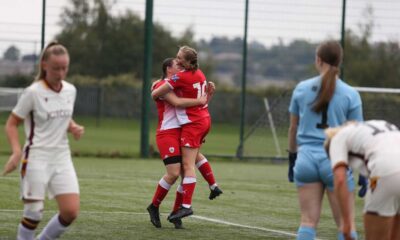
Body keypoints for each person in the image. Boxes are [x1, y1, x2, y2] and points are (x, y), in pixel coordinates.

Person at [2, 41, 84, 240]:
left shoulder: (70, 90)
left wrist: (72, 126)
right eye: (56, 68)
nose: (61, 72)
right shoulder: (33, 92)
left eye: (64, 68)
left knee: (70, 211)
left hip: (62, 157)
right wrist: (16, 151)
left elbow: (61, 113)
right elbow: (11, 123)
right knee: (34, 213)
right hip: (35, 157)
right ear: (44, 66)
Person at [287, 40, 364, 240]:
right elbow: (358, 137)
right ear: (339, 61)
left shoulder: (301, 88)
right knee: (346, 226)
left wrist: (292, 159)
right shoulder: (351, 94)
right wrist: (364, 171)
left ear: (318, 60)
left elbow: (293, 128)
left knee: (307, 223)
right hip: (335, 161)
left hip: (305, 159)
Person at [147, 58, 222, 229]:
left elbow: (197, 106)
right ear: (168, 69)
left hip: (183, 130)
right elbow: (177, 103)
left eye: (182, 64)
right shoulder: (160, 85)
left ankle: (176, 213)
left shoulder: (180, 83)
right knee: (173, 173)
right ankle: (154, 206)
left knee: (187, 171)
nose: (181, 67)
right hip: (167, 132)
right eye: (177, 65)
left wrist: (208, 94)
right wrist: (200, 100)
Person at [325, 120, 400, 240]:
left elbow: (339, 179)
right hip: (386, 171)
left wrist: (347, 224)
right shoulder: (377, 125)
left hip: (386, 172)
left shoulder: (337, 138)